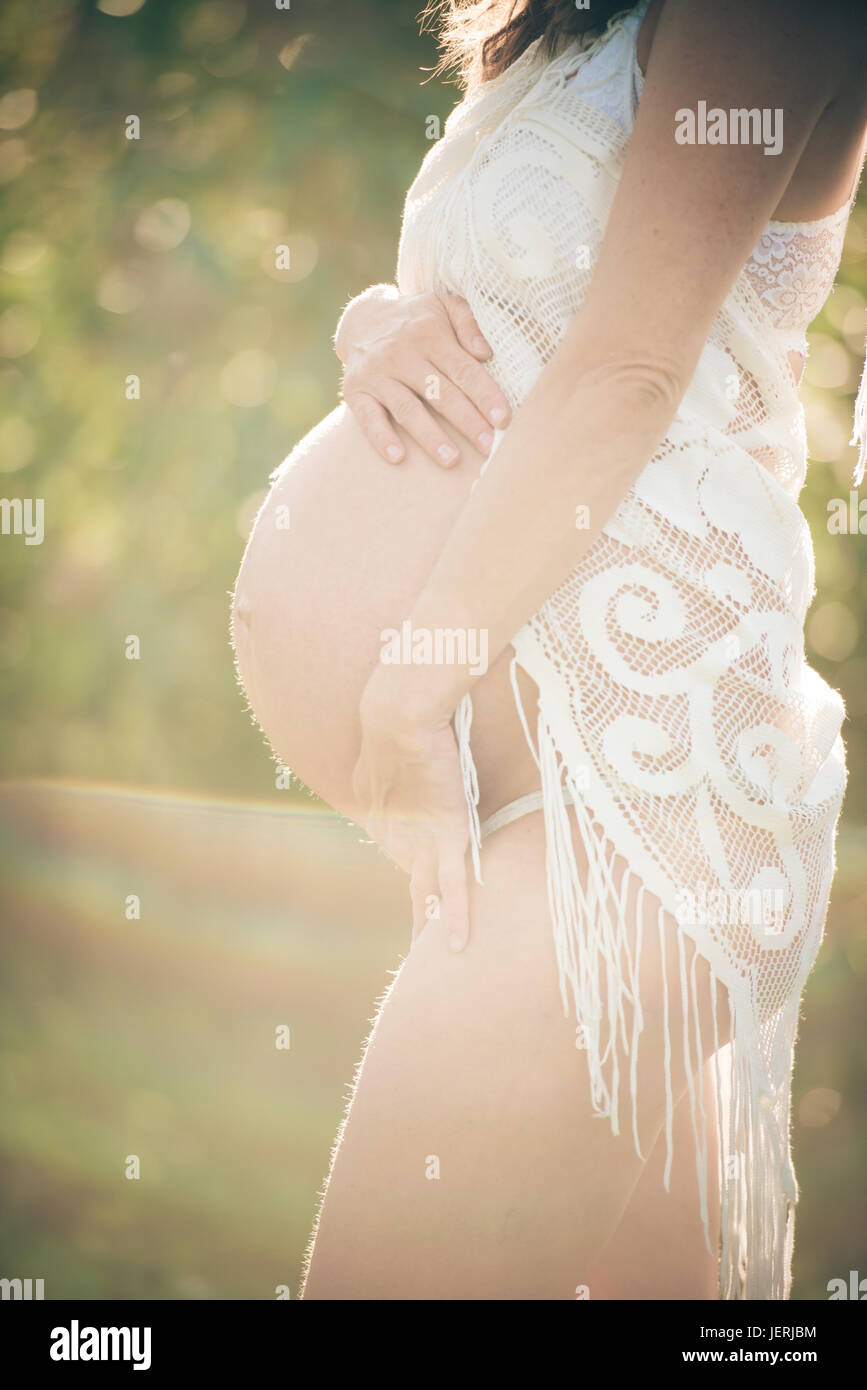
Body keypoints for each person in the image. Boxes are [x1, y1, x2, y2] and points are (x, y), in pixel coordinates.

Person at [230, 0, 867, 1299]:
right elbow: (516, 318)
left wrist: (415, 685)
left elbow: (630, 368)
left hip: (631, 798)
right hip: (554, 800)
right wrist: (374, 324)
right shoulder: (570, 29)